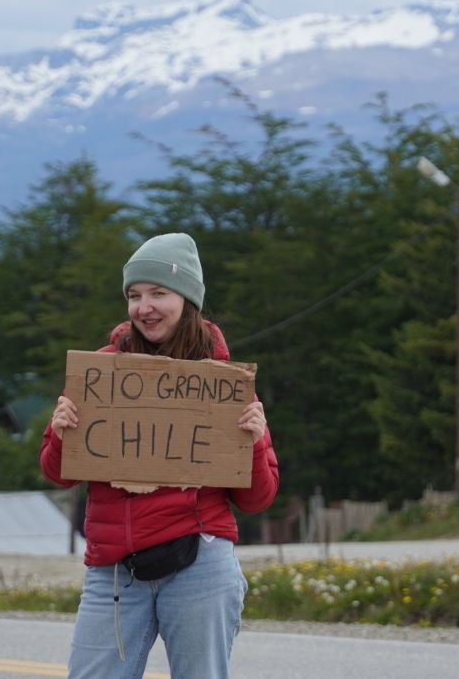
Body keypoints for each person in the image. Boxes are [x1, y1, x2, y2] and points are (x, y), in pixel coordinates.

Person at [40, 232, 280, 679]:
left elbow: (257, 500)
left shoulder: (223, 383)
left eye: (158, 293)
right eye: (134, 295)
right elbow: (58, 473)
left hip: (200, 565)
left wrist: (254, 441)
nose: (144, 307)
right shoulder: (102, 372)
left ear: (187, 299)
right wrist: (60, 433)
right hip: (115, 571)